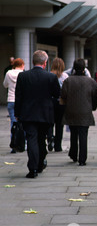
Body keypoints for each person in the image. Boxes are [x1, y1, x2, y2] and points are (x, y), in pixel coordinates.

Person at [14, 50, 61, 178]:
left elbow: (18, 97)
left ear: (33, 61)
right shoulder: (51, 77)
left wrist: (17, 113)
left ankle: (33, 169)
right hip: (45, 114)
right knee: (41, 139)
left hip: (28, 114)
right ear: (45, 63)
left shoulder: (23, 76)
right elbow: (57, 94)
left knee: (32, 140)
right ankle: (40, 163)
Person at [60, 58, 97, 166]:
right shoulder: (91, 81)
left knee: (73, 133)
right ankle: (82, 159)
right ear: (84, 69)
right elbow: (95, 97)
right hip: (85, 111)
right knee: (83, 135)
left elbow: (63, 95)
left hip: (71, 110)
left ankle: (73, 154)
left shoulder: (68, 81)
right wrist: (93, 107)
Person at [3, 58, 25, 153]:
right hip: (22, 100)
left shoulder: (8, 73)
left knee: (13, 123)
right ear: (22, 65)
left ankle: (14, 144)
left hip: (11, 99)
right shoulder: (24, 74)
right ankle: (23, 143)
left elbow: (5, 85)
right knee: (23, 122)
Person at [48, 58, 68, 152]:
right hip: (61, 103)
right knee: (60, 125)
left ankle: (50, 138)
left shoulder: (48, 75)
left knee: (50, 123)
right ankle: (58, 145)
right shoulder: (65, 76)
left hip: (50, 102)